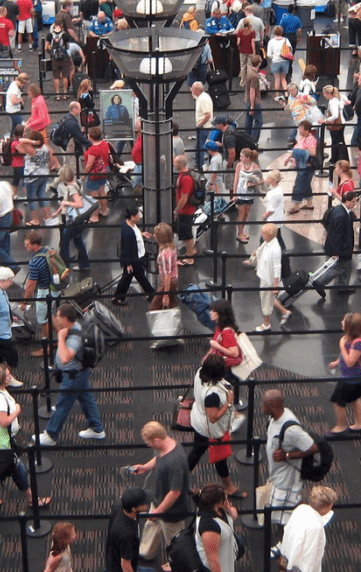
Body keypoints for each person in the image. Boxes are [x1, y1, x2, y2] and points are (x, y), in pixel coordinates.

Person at [35, 304, 107, 445]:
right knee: (86, 400)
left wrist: (61, 338)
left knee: (63, 405)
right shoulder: (73, 328)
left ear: (66, 319)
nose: (56, 319)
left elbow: (65, 358)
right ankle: (97, 429)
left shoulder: (74, 337)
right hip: (79, 373)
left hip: (74, 375)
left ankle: (51, 435)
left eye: (58, 317)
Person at [131, 422, 191, 568]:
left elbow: (175, 492)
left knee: (175, 541)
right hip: (159, 501)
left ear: (157, 441)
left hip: (172, 511)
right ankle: (146, 552)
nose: (149, 446)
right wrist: (145, 467)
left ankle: (175, 563)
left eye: (149, 443)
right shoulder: (165, 445)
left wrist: (159, 511)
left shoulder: (175, 461)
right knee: (151, 526)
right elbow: (158, 459)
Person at [186, 355, 245, 498]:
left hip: (199, 421)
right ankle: (228, 486)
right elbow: (213, 417)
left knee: (197, 451)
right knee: (220, 457)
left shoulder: (200, 372)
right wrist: (229, 403)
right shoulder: (212, 394)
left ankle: (180, 482)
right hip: (211, 429)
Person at [262, 389, 317, 527]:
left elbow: (312, 447)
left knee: (282, 519)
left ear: (273, 406)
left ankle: (283, 545)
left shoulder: (291, 430)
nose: (261, 406)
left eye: (265, 404)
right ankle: (311, 519)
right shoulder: (274, 417)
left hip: (286, 480)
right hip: (277, 475)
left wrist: (286, 455)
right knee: (291, 504)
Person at [327, 312, 361, 435]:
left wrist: (341, 345)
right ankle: (358, 424)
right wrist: (337, 361)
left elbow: (350, 361)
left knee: (338, 402)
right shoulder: (352, 339)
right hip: (354, 378)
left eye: (344, 321)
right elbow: (347, 354)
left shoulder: (359, 343)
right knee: (355, 399)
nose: (341, 322)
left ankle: (341, 426)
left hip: (351, 379)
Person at [277, 486, 338, 572]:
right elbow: (309, 554)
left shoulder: (301, 508)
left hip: (287, 558)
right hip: (298, 567)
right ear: (324, 509)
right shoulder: (315, 527)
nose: (332, 507)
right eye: (331, 504)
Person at [113, 206, 155, 306]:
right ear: (132, 217)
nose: (139, 216)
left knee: (134, 276)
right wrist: (128, 264)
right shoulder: (128, 232)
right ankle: (150, 293)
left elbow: (135, 235)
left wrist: (142, 234)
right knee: (136, 276)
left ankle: (119, 297)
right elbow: (126, 249)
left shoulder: (129, 225)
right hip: (134, 259)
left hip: (136, 257)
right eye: (137, 214)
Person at [253, 223, 290, 331]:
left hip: (268, 279)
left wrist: (275, 285)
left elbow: (277, 268)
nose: (262, 235)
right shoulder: (267, 242)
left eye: (264, 233)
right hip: (264, 276)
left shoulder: (275, 249)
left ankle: (266, 324)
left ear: (269, 235)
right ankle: (284, 312)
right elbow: (262, 249)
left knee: (266, 301)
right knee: (268, 298)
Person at [53, 165, 90, 273]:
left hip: (73, 220)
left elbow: (79, 203)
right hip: (79, 219)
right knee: (78, 241)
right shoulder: (76, 183)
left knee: (64, 242)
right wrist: (58, 212)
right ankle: (84, 264)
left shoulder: (71, 187)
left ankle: (64, 267)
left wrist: (66, 203)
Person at [104, 487, 147, 572]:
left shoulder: (120, 504)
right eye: (144, 503)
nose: (147, 504)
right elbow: (125, 565)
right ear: (134, 509)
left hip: (113, 557)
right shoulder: (127, 534)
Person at [173, 155, 199, 265]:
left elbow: (184, 198)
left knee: (187, 234)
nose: (174, 165)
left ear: (181, 164)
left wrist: (176, 211)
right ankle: (189, 252)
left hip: (186, 211)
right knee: (184, 232)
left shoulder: (186, 179)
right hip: (185, 210)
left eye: (175, 163)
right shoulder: (183, 175)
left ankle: (190, 257)